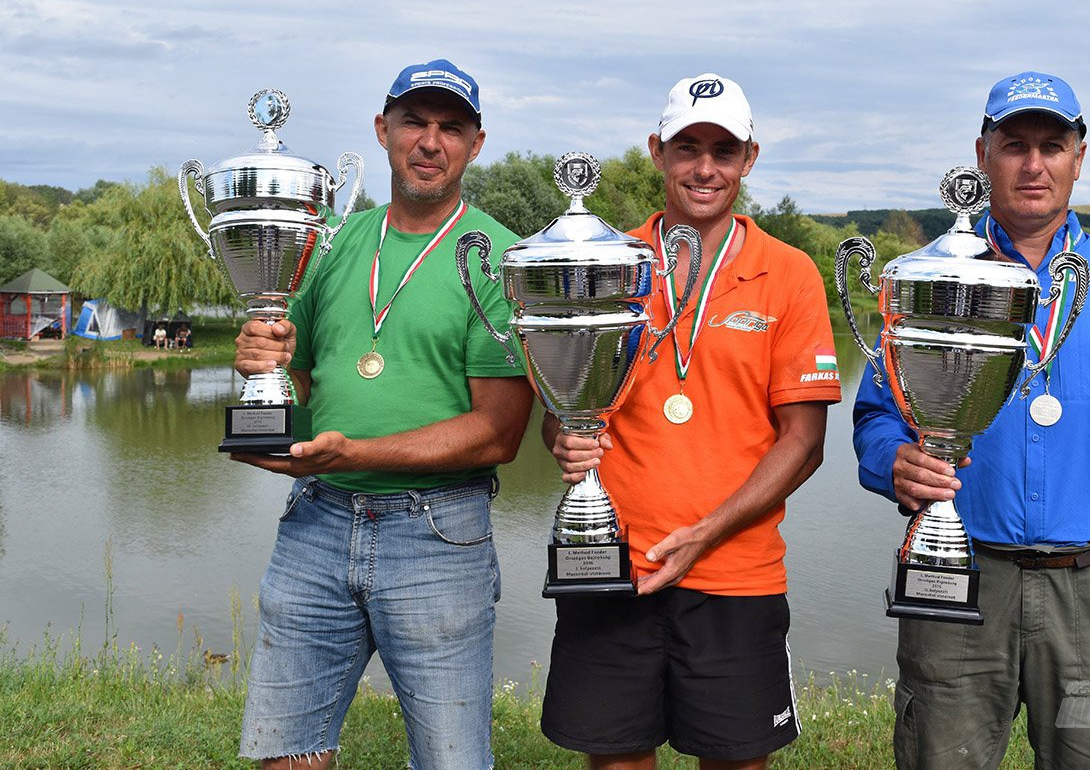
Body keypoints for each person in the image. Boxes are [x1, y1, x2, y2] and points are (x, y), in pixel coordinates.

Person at [853, 71, 1090, 768]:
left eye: (1053, 144)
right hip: (958, 581)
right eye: (1015, 144)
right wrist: (889, 459)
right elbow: (877, 412)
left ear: (1080, 156)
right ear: (983, 154)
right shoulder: (928, 276)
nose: (1034, 163)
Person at [231, 59, 533, 769]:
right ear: (382, 130)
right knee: (288, 753)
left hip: (437, 533)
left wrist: (356, 451)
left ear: (476, 144)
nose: (431, 142)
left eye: (450, 127)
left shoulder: (498, 258)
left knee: (452, 759)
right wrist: (259, 368)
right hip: (316, 520)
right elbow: (296, 372)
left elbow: (500, 430)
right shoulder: (327, 241)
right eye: (415, 123)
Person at [540, 73, 842, 769]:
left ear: (749, 158)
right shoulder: (603, 263)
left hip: (736, 576)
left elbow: (804, 442)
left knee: (736, 760)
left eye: (724, 150)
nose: (705, 167)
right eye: (687, 147)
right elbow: (560, 412)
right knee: (617, 759)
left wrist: (705, 533)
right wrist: (565, 436)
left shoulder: (790, 273)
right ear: (657, 151)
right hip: (611, 563)